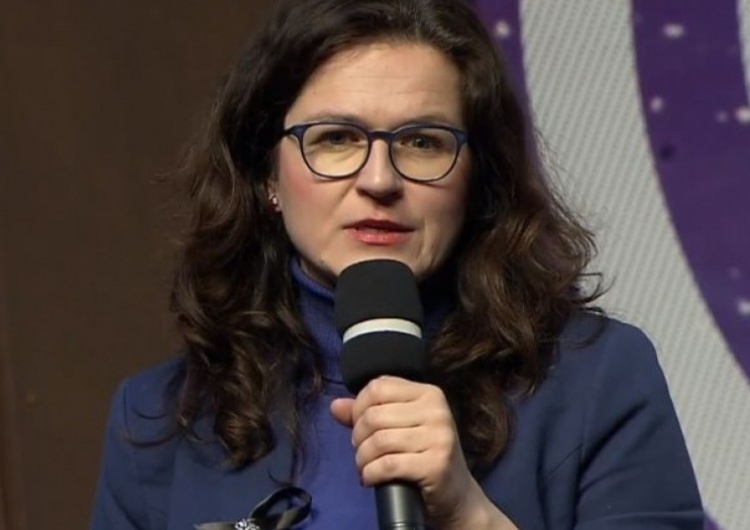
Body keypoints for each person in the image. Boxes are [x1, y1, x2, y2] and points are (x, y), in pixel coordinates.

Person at [89, 0, 704, 528]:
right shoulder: (158, 422)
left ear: (477, 177)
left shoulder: (600, 381)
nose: (380, 180)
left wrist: (470, 515)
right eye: (336, 138)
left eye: (422, 142)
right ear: (266, 175)